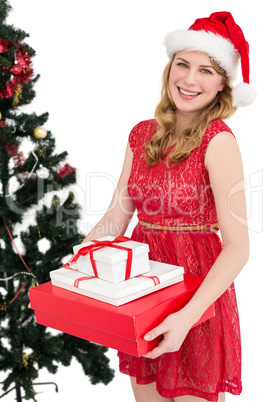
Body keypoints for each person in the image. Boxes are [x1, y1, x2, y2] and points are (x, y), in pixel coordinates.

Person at [81, 11, 256, 402]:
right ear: (169, 67)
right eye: (183, 64)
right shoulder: (142, 134)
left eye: (206, 71)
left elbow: (239, 247)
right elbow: (116, 218)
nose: (190, 79)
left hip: (195, 297)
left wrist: (186, 316)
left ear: (223, 84)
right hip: (141, 290)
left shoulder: (218, 141)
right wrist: (76, 266)